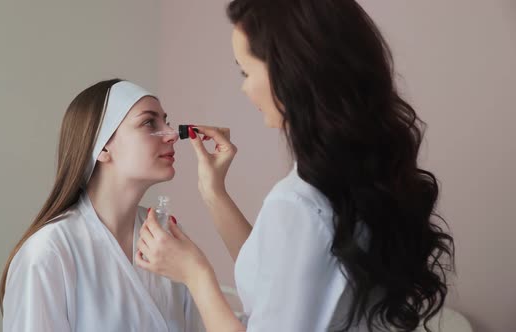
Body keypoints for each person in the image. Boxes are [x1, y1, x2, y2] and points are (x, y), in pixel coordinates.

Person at [135, 0, 455, 331]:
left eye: (246, 72)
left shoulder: (299, 203)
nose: (244, 88)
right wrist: (214, 192)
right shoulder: (354, 176)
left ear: (289, 72)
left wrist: (194, 274)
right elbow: (280, 272)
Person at [0, 79, 204, 331]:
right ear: (103, 146)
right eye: (149, 122)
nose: (172, 134)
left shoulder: (167, 240)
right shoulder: (48, 252)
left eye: (166, 121)